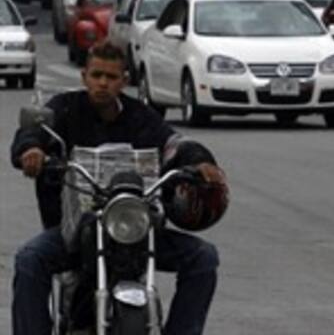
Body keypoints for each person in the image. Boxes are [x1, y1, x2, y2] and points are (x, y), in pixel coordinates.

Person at [10, 40, 227, 335]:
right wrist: (31, 150)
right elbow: (33, 132)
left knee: (204, 258)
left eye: (111, 77)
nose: (102, 83)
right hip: (76, 232)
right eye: (96, 75)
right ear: (84, 75)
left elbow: (174, 144)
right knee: (29, 260)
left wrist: (201, 162)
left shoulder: (142, 117)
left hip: (135, 228)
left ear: (124, 80)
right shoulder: (64, 109)